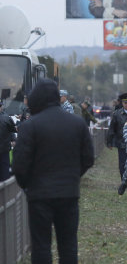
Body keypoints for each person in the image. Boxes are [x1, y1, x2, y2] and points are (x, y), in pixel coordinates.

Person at [12, 78, 94, 264]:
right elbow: (88, 158)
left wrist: (28, 184)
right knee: (68, 244)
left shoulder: (29, 126)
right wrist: (73, 176)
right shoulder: (77, 123)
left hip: (39, 195)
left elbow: (19, 164)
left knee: (41, 245)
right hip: (69, 194)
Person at [106, 92, 127, 180]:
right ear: (122, 103)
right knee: (122, 163)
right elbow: (112, 128)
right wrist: (109, 142)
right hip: (122, 142)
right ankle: (124, 181)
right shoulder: (117, 114)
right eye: (125, 103)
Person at [0, 101, 17, 182]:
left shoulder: (6, 118)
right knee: (5, 175)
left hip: (4, 149)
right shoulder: (7, 118)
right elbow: (13, 130)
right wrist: (13, 139)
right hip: (4, 150)